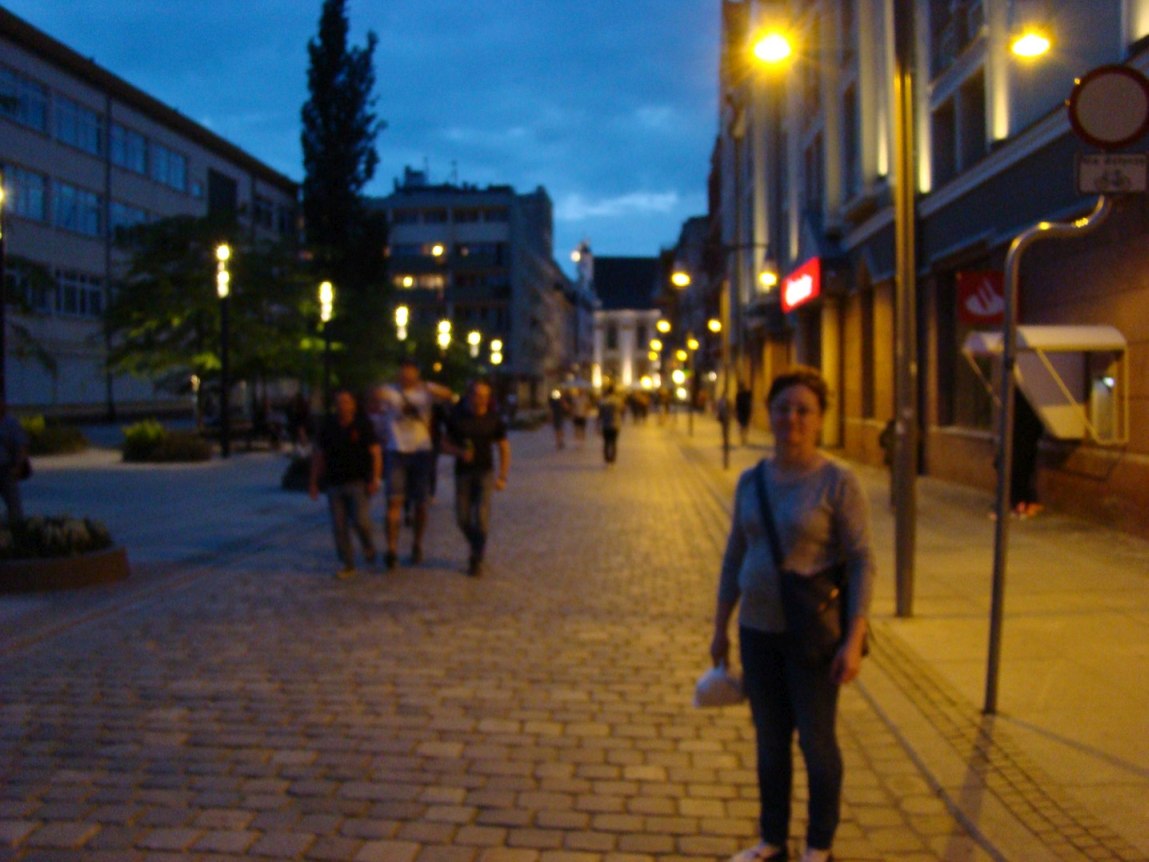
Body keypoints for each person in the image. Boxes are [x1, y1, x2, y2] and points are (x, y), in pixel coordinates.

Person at [711, 366, 875, 862]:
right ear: (770, 413)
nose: (793, 419)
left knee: (817, 744)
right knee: (770, 742)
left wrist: (854, 639)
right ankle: (772, 839)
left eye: (804, 410)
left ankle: (819, 846)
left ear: (820, 418)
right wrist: (720, 627)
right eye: (783, 408)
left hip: (812, 635)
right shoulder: (751, 480)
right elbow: (735, 555)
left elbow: (862, 560)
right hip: (757, 629)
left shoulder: (837, 481)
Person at [375, 358, 454, 568]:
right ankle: (391, 549)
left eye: (411, 371)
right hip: (396, 450)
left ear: (417, 373)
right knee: (394, 501)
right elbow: (373, 398)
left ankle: (417, 544)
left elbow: (448, 395)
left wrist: (428, 387)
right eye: (403, 371)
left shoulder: (425, 391)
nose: (406, 375)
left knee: (421, 504)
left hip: (421, 451)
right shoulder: (390, 392)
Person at [440, 379, 511, 577]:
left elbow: (504, 447)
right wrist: (459, 452)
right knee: (462, 518)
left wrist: (502, 476)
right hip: (463, 473)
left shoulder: (494, 419)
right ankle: (476, 545)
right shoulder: (458, 418)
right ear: (469, 396)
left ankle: (476, 557)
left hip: (485, 472)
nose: (481, 399)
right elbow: (443, 444)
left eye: (485, 396)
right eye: (477, 395)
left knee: (481, 517)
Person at [308, 389, 381, 579]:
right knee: (339, 526)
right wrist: (314, 482)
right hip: (334, 482)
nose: (343, 406)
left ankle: (368, 546)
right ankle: (347, 563)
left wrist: (375, 477)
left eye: (347, 402)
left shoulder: (363, 424)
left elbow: (375, 452)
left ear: (353, 405)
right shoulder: (328, 426)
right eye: (339, 402)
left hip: (358, 481)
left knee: (360, 521)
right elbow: (319, 455)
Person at [0, 400, 29, 524]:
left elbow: (21, 446)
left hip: (6, 468)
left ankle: (17, 528)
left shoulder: (11, 423)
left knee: (13, 505)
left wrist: (18, 466)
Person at [597, 385, 623, 465]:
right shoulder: (618, 401)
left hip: (606, 424)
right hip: (615, 424)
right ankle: (612, 458)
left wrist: (597, 424)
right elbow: (622, 411)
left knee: (606, 442)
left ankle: (607, 458)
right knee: (614, 442)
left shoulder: (603, 401)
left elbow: (600, 414)